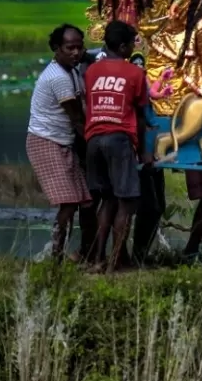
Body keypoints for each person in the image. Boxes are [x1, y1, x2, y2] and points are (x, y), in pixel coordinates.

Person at [83, 19, 149, 270]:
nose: (133, 50)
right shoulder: (135, 73)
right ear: (122, 47)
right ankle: (115, 262)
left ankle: (98, 259)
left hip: (93, 140)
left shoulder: (91, 72)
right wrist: (143, 150)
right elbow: (141, 114)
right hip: (119, 139)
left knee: (107, 200)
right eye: (132, 45)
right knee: (125, 202)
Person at [25, 24, 91, 261]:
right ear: (56, 49)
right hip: (46, 141)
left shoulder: (71, 70)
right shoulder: (58, 78)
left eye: (79, 47)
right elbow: (77, 119)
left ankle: (72, 252)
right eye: (69, 48)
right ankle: (56, 255)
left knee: (83, 201)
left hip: (62, 141)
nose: (75, 52)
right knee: (69, 202)